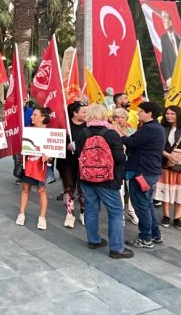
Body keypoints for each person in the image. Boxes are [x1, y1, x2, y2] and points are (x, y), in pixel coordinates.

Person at [75, 104, 132, 259]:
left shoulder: (83, 134)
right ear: (103, 116)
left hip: (87, 178)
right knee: (115, 212)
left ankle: (93, 240)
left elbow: (79, 155)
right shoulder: (111, 134)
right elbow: (120, 158)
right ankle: (117, 248)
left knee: (91, 208)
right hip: (108, 180)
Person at [120, 102, 165, 249]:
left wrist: (118, 132)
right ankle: (155, 234)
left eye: (141, 111)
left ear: (149, 113)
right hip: (149, 171)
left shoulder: (150, 129)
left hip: (142, 172)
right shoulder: (154, 127)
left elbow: (131, 142)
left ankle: (145, 238)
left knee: (141, 206)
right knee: (147, 204)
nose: (138, 113)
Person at [155, 105, 181, 231]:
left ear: (179, 114)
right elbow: (156, 144)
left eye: (172, 114)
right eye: (167, 113)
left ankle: (177, 217)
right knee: (165, 189)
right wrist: (168, 155)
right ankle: (166, 215)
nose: (169, 116)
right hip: (165, 162)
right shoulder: (161, 127)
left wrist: (179, 157)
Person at [16, 108, 51, 230]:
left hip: (41, 166)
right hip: (29, 164)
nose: (31, 117)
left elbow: (54, 153)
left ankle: (42, 217)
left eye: (34, 115)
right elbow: (22, 148)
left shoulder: (50, 132)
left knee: (41, 191)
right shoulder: (28, 131)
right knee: (25, 189)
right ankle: (21, 213)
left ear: (42, 117)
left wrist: (49, 157)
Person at [56, 101, 88, 229]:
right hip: (67, 161)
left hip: (84, 162)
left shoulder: (89, 125)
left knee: (83, 189)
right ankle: (70, 214)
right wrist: (66, 146)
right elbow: (56, 141)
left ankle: (84, 212)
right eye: (83, 112)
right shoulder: (64, 125)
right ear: (74, 113)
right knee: (68, 187)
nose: (86, 114)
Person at [111, 108, 138, 225]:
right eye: (117, 117)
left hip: (130, 162)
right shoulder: (109, 131)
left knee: (132, 188)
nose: (120, 120)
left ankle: (132, 211)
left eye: (122, 117)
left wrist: (120, 131)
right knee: (119, 189)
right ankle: (120, 212)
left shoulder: (131, 130)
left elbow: (133, 141)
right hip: (116, 163)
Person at [159, 10, 181, 86]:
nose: (163, 21)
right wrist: (168, 78)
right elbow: (163, 59)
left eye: (165, 18)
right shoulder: (163, 38)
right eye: (162, 18)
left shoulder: (179, 38)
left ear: (171, 22)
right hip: (171, 77)